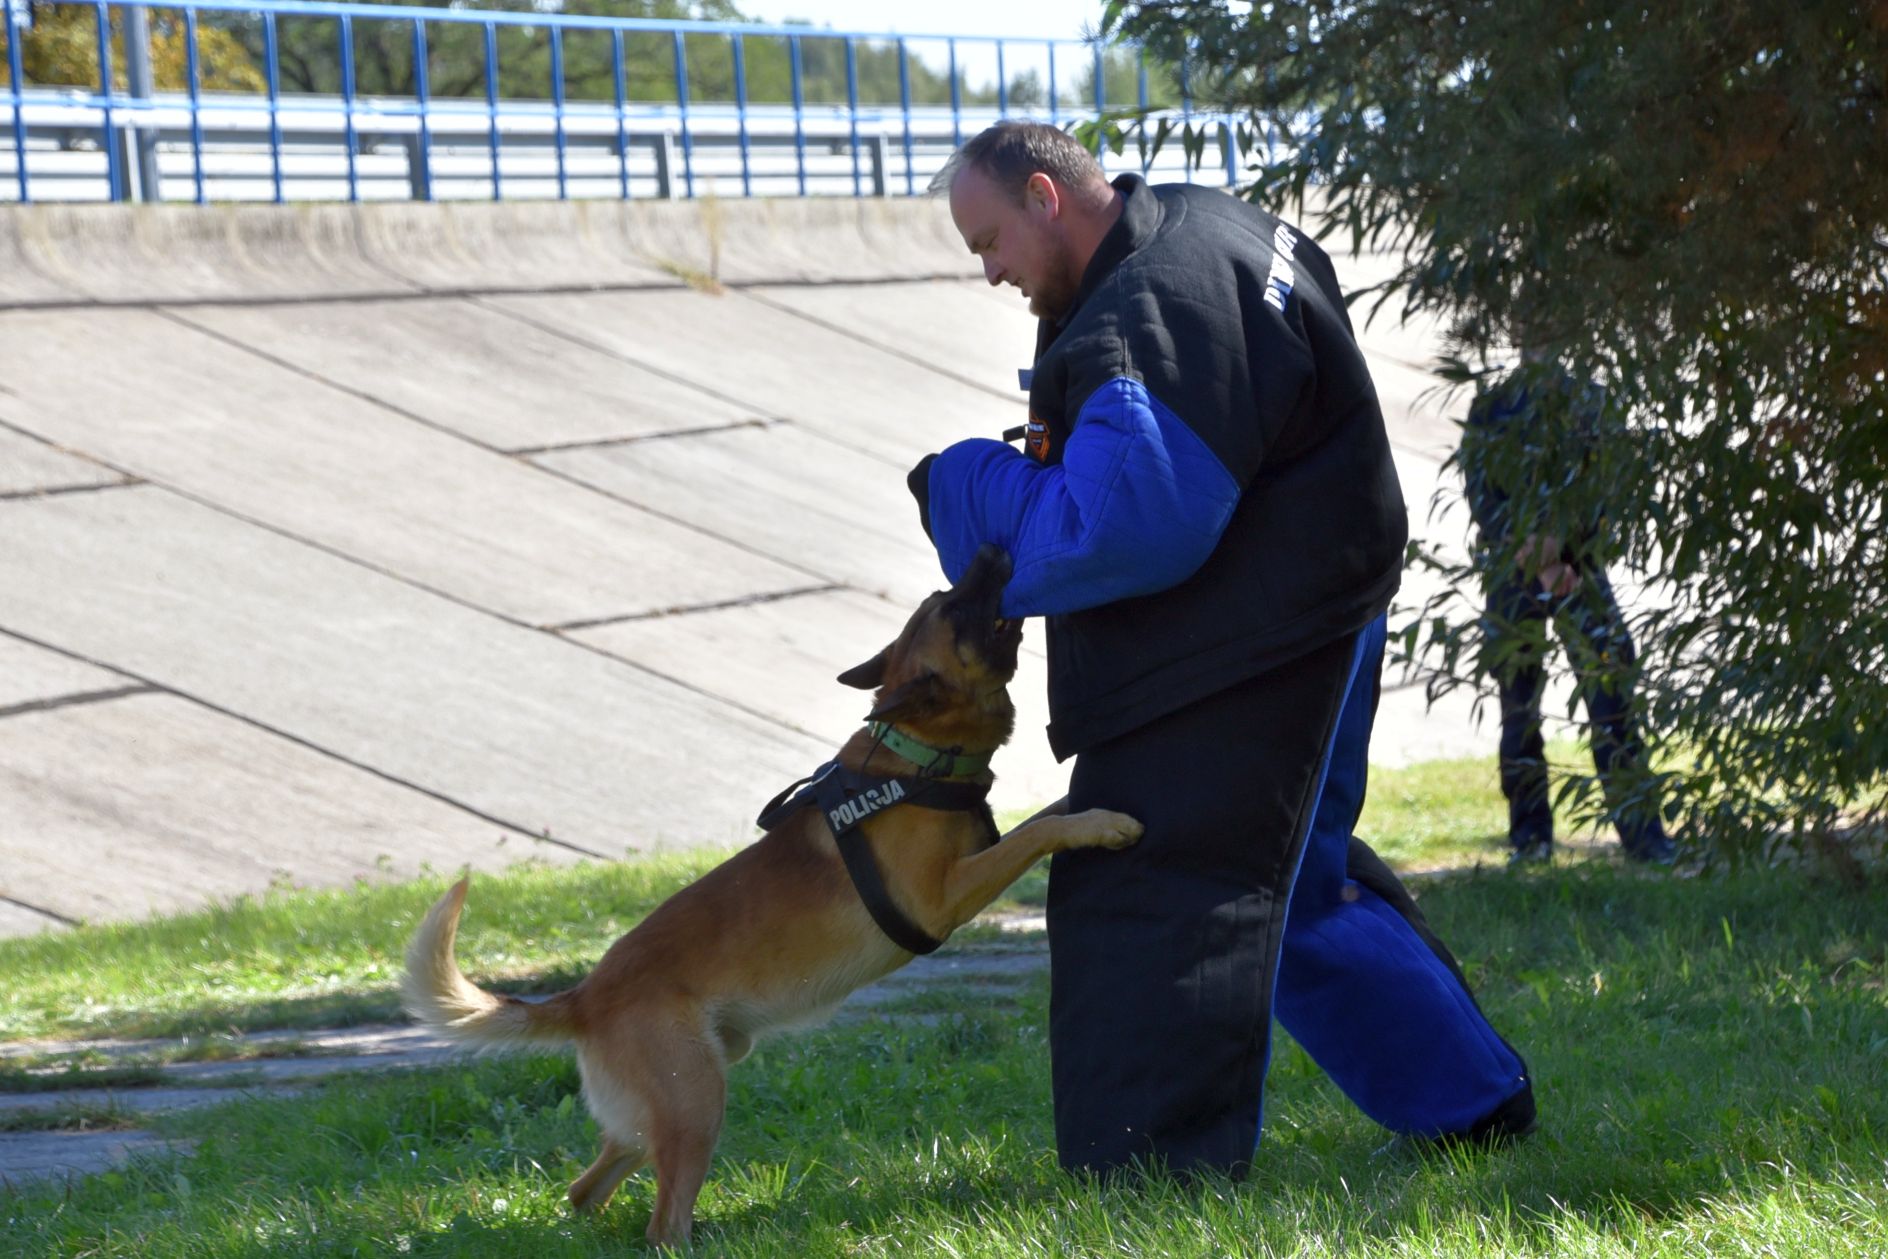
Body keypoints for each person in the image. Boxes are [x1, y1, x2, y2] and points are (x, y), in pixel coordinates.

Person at [906, 120, 1535, 1177]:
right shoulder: (1208, 225)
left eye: (990, 241)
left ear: (1045, 197)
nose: (991, 272)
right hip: (1320, 598)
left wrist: (961, 485)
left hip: (1260, 638)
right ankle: (1471, 1106)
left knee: (1160, 879)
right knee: (1298, 881)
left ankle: (1155, 1171)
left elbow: (1121, 527)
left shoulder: (1142, 312)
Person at [1462, 370, 1678, 866]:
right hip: (1513, 573)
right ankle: (1530, 839)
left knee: (1611, 695)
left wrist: (1561, 547)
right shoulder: (1492, 405)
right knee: (1519, 707)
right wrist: (1532, 551)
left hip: (1578, 570)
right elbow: (1481, 494)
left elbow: (1605, 489)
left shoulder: (1591, 401)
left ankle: (1644, 837)